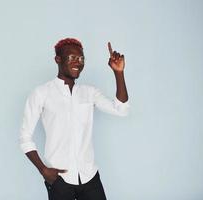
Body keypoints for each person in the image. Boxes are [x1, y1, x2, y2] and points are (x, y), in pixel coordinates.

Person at [19, 38, 129, 200]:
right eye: (72, 58)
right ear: (58, 59)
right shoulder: (41, 93)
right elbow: (24, 137)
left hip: (90, 177)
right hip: (60, 179)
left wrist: (118, 73)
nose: (78, 62)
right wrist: (43, 170)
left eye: (81, 58)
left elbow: (122, 110)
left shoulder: (89, 92)